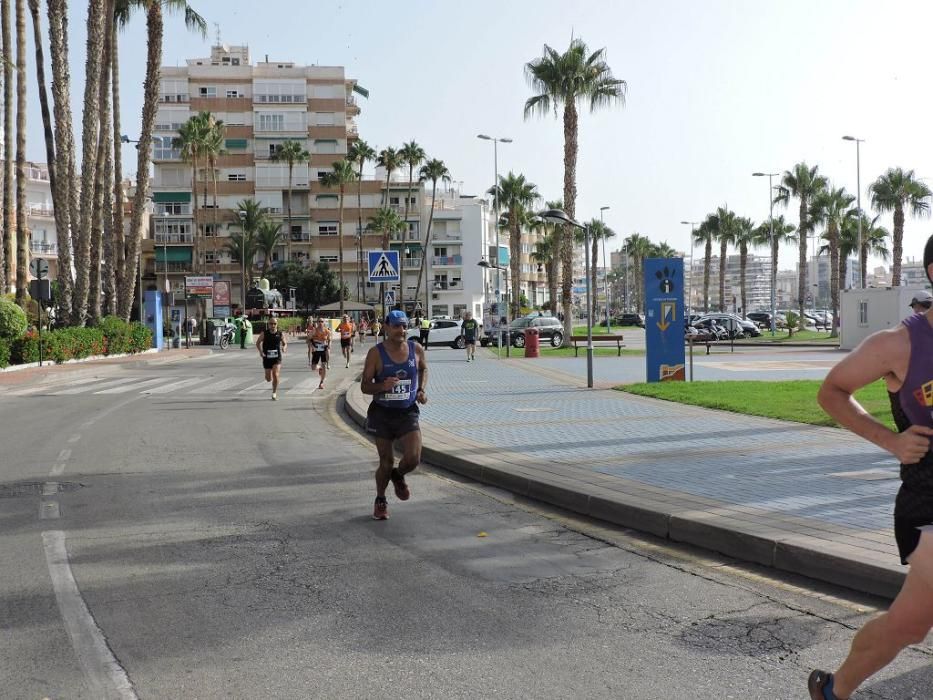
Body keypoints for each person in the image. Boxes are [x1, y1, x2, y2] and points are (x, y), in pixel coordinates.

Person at [808, 235, 933, 700]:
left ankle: (832, 690)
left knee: (909, 625)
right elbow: (831, 392)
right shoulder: (899, 343)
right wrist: (891, 441)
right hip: (927, 503)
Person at [361, 309, 428, 520]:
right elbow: (364, 386)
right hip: (382, 413)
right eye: (397, 326)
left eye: (404, 326)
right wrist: (382, 385)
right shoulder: (376, 353)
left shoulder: (415, 349)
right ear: (387, 327)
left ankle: (398, 476)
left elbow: (423, 369)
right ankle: (380, 499)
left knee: (413, 458)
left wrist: (421, 390)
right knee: (386, 462)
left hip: (407, 412)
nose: (401, 330)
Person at [255, 318, 287, 400]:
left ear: (277, 324)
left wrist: (284, 347)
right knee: (268, 378)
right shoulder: (264, 333)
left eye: (274, 324)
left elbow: (285, 343)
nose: (272, 325)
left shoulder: (280, 334)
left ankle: (274, 393)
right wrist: (261, 352)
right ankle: (269, 377)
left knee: (276, 374)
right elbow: (258, 343)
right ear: (268, 324)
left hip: (277, 357)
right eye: (271, 324)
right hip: (267, 357)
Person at [308, 317, 332, 389]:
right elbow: (308, 340)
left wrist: (329, 345)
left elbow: (330, 340)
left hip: (323, 349)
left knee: (324, 365)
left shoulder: (327, 331)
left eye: (322, 321)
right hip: (316, 350)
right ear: (317, 322)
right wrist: (312, 345)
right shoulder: (314, 331)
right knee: (313, 367)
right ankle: (320, 368)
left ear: (324, 323)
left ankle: (321, 382)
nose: (320, 323)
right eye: (319, 321)